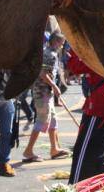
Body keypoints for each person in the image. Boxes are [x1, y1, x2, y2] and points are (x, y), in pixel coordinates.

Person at [67, 50, 104, 184]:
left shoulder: (94, 54)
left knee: (83, 148)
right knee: (97, 148)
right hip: (99, 97)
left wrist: (72, 50)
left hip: (98, 101)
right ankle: (102, 182)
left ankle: (74, 185)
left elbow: (76, 67)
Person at [22, 31, 69, 162]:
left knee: (53, 120)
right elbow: (42, 73)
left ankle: (54, 149)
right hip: (42, 92)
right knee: (42, 120)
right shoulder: (50, 54)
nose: (62, 46)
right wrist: (55, 86)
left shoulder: (47, 51)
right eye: (62, 43)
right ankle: (28, 151)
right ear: (56, 42)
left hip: (45, 92)